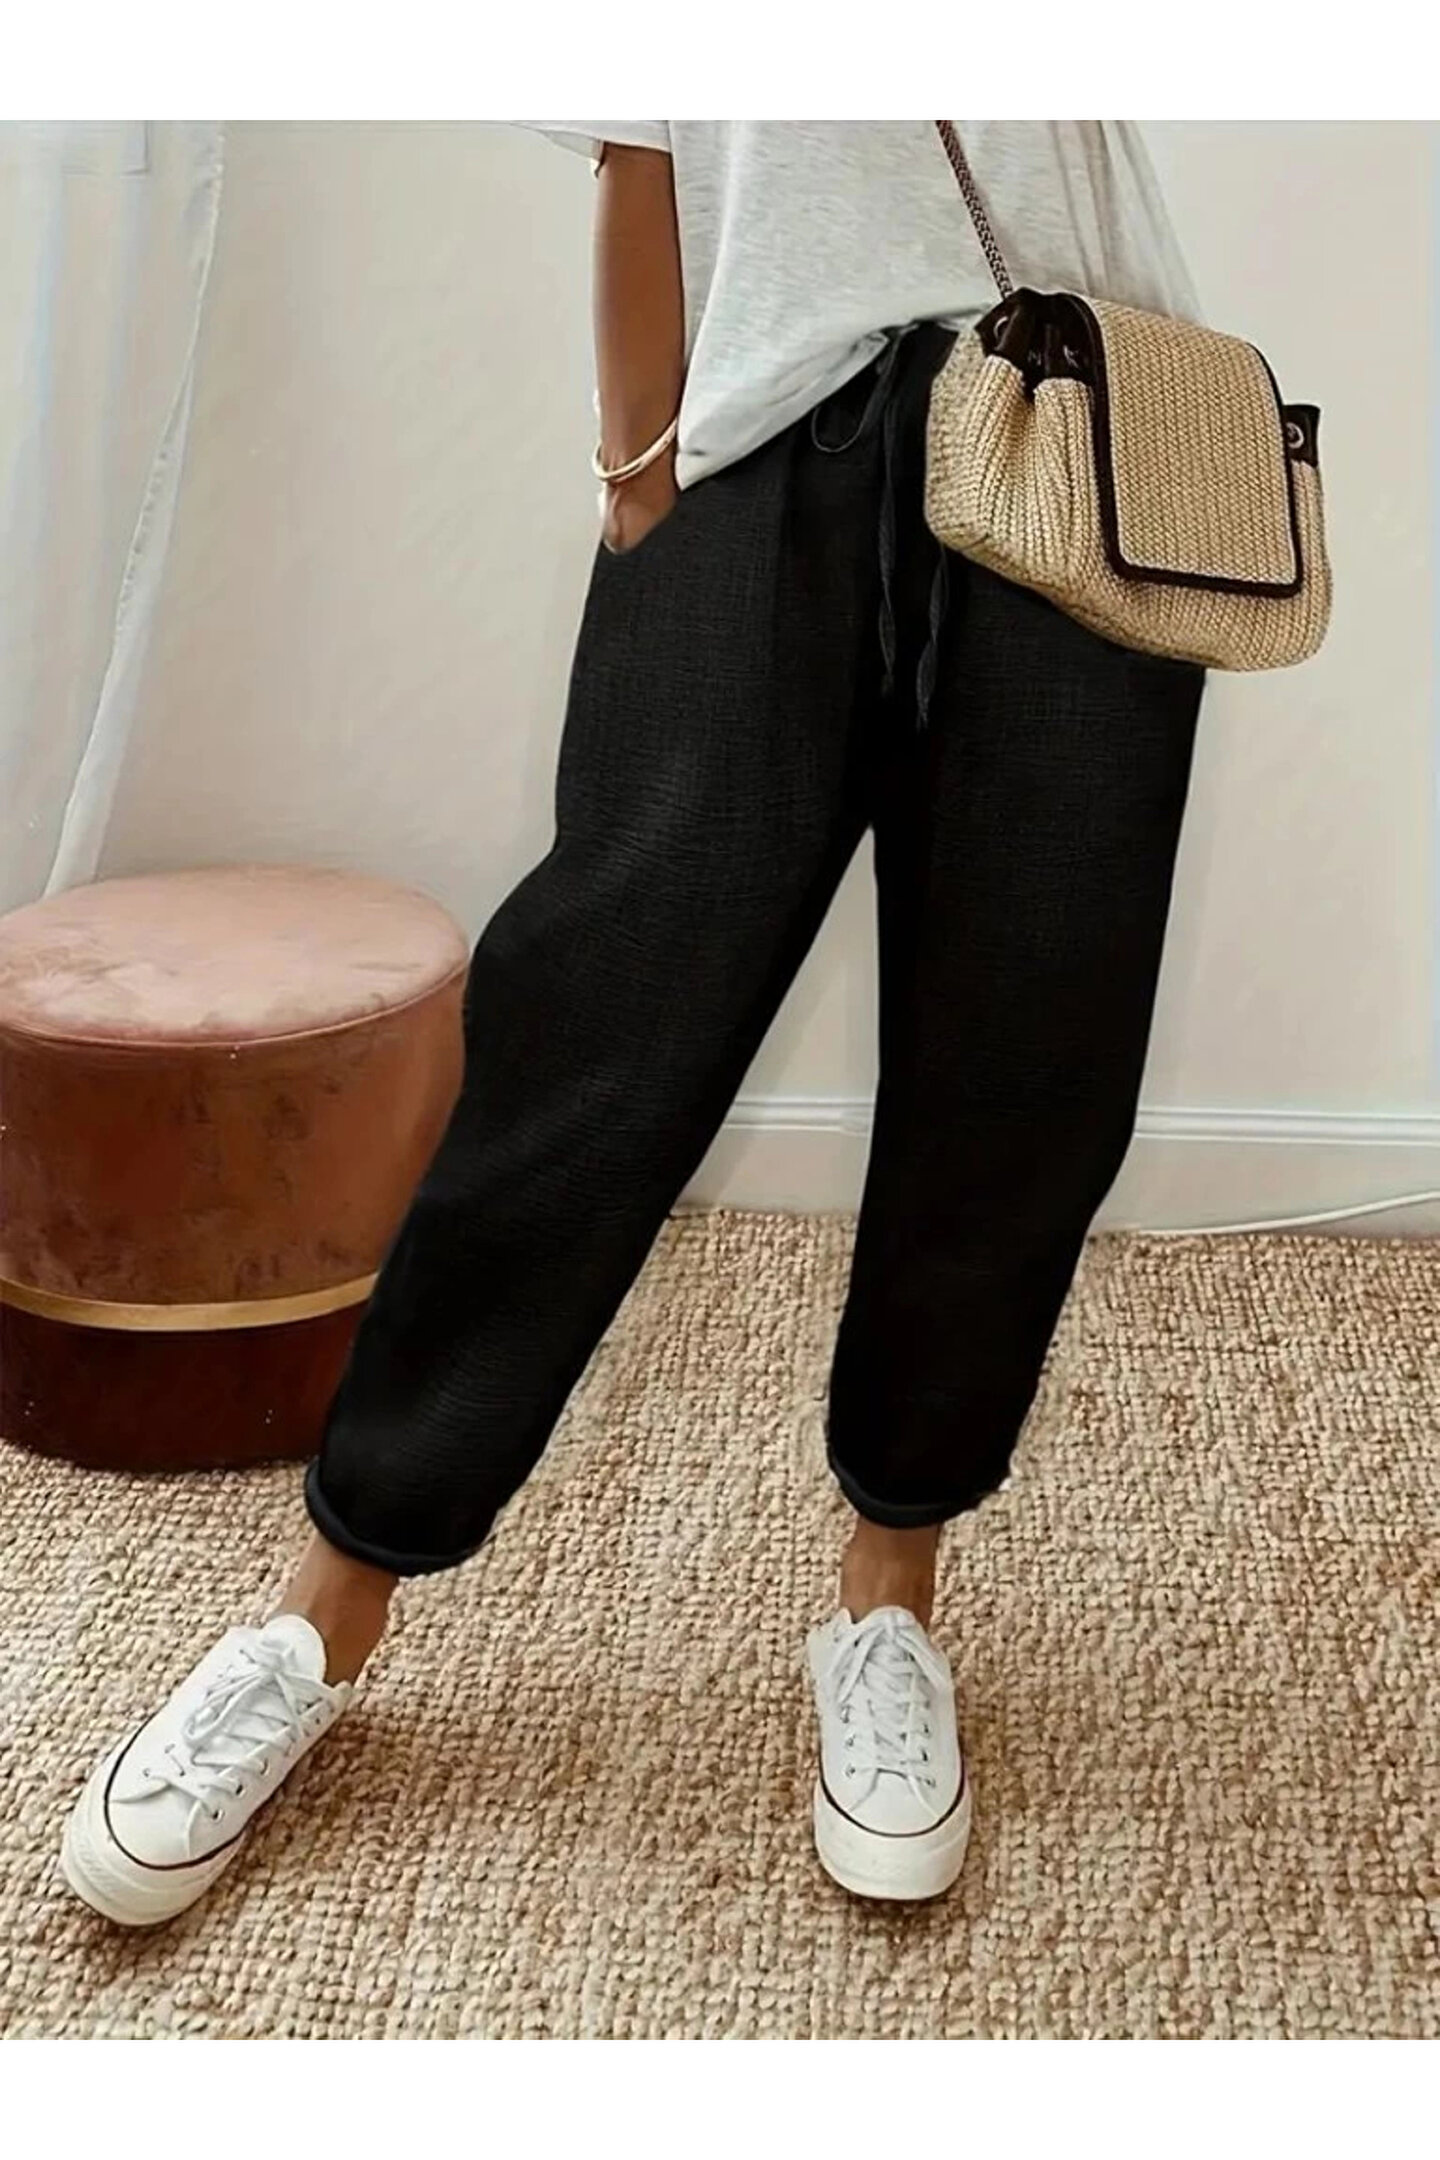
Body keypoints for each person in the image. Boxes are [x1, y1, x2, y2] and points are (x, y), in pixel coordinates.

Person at [60, 121, 1206, 1925]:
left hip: (1081, 427)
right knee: (593, 1037)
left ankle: (888, 1603)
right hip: (764, 447)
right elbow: (639, 135)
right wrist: (639, 474)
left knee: (1024, 1063)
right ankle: (320, 1614)